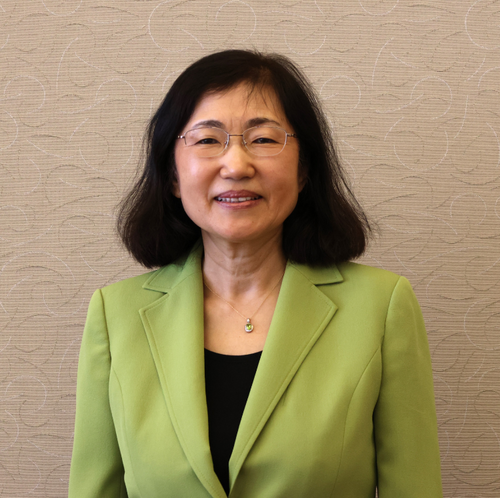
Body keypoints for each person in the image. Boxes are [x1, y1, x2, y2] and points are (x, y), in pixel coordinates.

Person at [68, 50, 443, 498]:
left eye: (263, 139)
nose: (236, 165)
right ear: (173, 175)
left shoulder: (381, 307)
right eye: (208, 140)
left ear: (303, 170)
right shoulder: (116, 316)